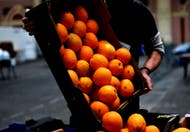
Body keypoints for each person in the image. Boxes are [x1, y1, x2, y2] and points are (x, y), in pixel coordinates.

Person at [22, 0, 164, 120]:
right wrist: (38, 23)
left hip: (126, 95)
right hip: (86, 95)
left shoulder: (141, 14)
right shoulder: (91, 6)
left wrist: (145, 71)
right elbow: (61, 27)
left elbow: (157, 48)